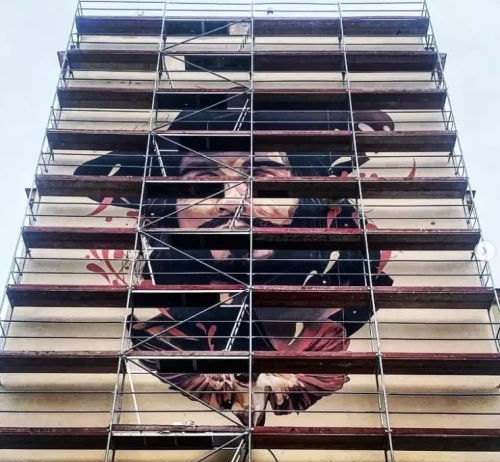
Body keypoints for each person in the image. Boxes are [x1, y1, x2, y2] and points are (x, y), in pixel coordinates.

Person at [76, 107, 394, 425]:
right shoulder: (159, 334)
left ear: (307, 203)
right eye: (202, 182)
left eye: (262, 179)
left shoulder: (343, 308)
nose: (232, 201)